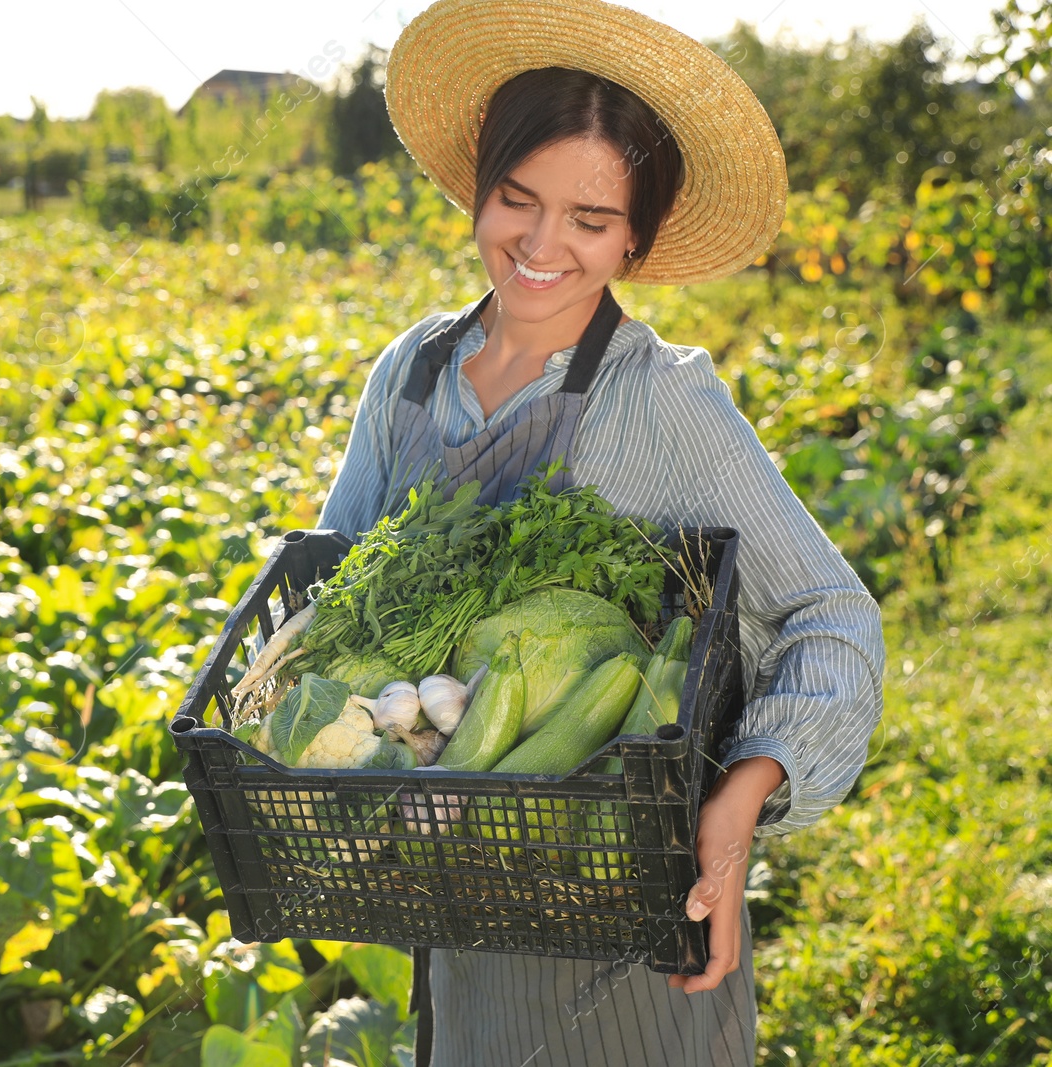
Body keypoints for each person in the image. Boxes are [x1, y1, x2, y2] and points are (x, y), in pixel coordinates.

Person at [314, 1, 886, 1064]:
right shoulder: (412, 373)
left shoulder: (660, 398)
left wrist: (744, 791)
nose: (539, 245)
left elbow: (830, 610)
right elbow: (339, 580)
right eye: (515, 199)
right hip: (454, 894)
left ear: (635, 234)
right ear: (477, 191)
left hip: (623, 912)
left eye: (589, 218)